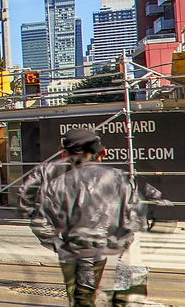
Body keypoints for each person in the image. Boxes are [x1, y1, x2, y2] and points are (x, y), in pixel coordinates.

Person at [30, 128, 146, 307]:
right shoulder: (124, 181)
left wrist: (60, 246)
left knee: (82, 300)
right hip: (120, 250)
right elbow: (136, 218)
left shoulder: (55, 186)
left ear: (64, 156)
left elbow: (40, 223)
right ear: (103, 153)